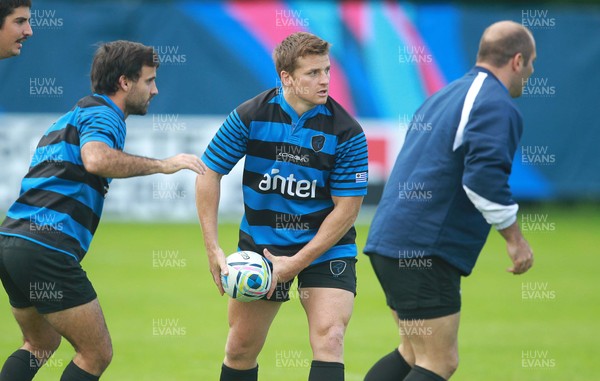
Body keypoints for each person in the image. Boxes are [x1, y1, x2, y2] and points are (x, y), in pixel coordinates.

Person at [0, 40, 206, 381]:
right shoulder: (104, 113)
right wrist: (163, 164)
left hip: (12, 242)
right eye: (149, 80)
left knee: (39, 343)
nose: (156, 90)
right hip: (45, 248)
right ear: (125, 82)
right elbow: (95, 159)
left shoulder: (74, 114)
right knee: (96, 354)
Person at [363, 20, 536, 381]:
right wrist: (516, 241)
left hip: (390, 241)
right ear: (517, 61)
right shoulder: (495, 104)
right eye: (532, 63)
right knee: (439, 361)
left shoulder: (447, 94)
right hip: (423, 250)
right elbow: (483, 180)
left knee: (412, 354)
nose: (532, 72)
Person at [196, 32, 368, 381]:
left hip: (326, 247)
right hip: (262, 246)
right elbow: (208, 172)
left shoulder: (347, 131)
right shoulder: (251, 115)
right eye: (313, 73)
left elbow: (347, 210)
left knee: (330, 338)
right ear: (286, 78)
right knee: (241, 347)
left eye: (327, 70)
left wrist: (295, 264)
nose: (325, 81)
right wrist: (212, 247)